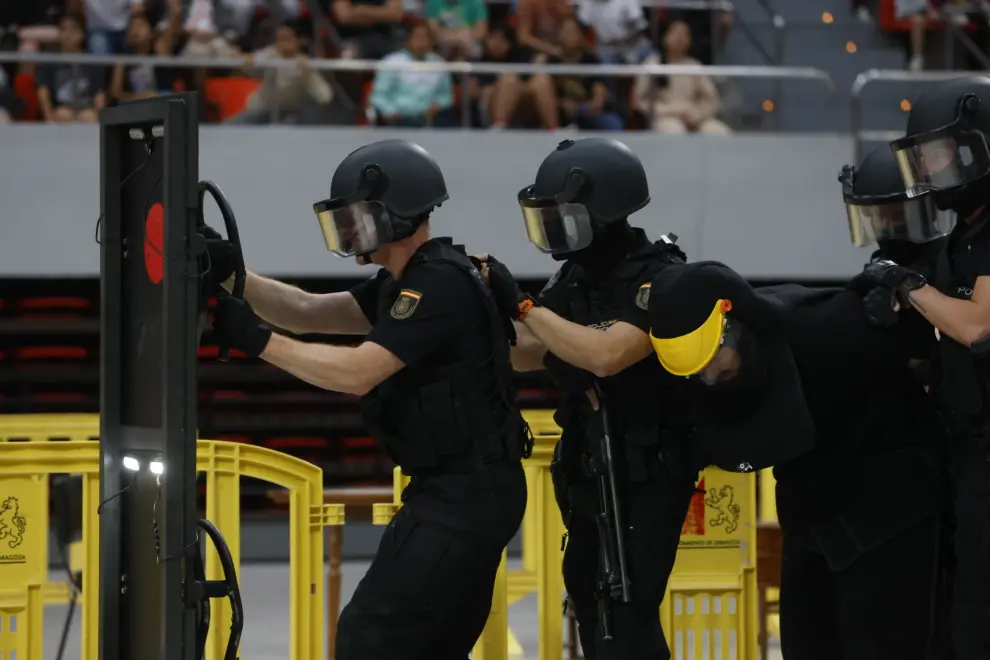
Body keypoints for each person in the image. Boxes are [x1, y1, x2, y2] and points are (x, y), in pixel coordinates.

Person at [203, 139, 529, 659]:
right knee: (424, 644)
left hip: (466, 493)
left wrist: (257, 340)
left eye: (358, 217)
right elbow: (309, 311)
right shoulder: (406, 281)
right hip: (462, 489)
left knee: (372, 636)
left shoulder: (437, 285)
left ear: (394, 214)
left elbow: (359, 372)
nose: (350, 231)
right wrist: (230, 274)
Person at [645, 145, 952, 660]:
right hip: (811, 522)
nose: (710, 376)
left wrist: (912, 304)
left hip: (893, 516)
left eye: (715, 360)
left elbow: (934, 354)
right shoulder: (708, 373)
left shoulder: (834, 324)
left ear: (736, 325)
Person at [477, 137, 698, 660]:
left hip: (644, 470)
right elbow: (534, 348)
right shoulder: (574, 276)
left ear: (603, 210)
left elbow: (607, 354)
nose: (553, 227)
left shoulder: (660, 276)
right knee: (588, 597)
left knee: (628, 616)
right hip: (588, 464)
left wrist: (524, 305)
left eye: (563, 214)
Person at [856, 75, 990, 660]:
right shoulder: (964, 231)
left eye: (938, 154)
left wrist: (907, 286)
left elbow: (978, 325)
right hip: (965, 438)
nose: (931, 171)